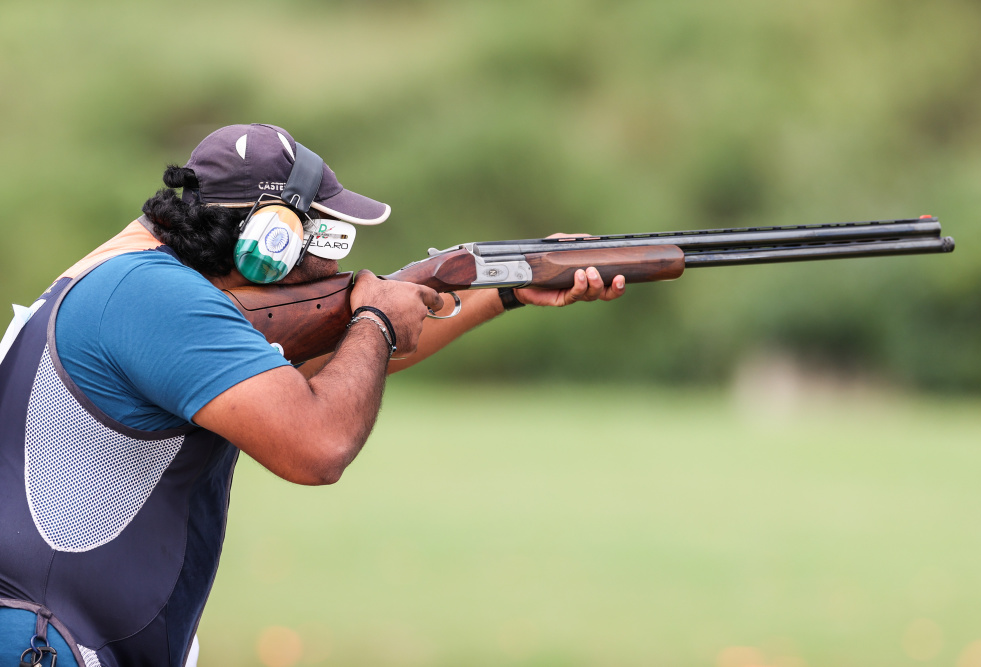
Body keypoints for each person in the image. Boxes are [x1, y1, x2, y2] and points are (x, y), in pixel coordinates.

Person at [0, 123, 625, 667]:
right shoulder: (157, 298)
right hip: (43, 644)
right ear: (268, 240)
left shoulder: (134, 280)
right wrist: (375, 321)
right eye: (325, 238)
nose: (333, 265)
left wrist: (509, 286)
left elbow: (344, 364)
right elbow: (317, 444)